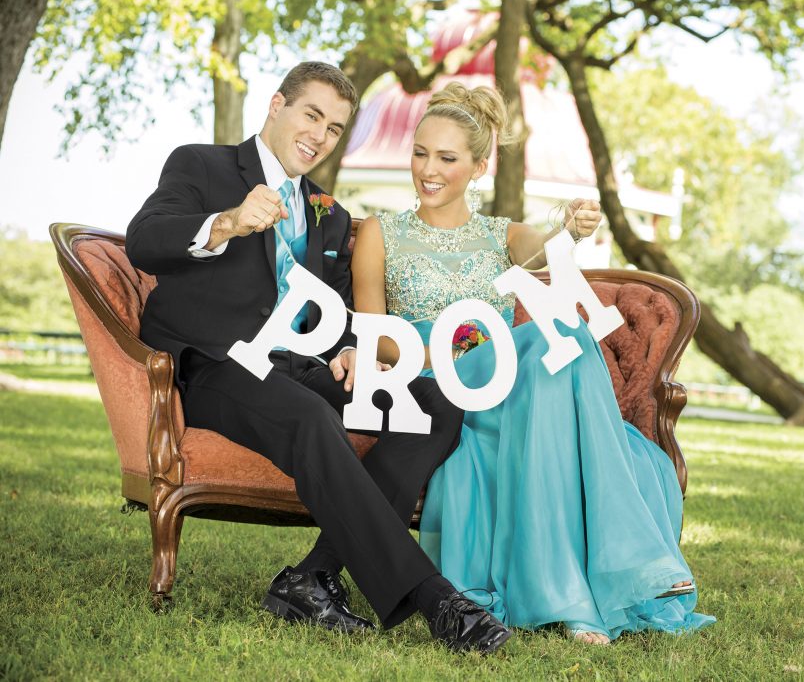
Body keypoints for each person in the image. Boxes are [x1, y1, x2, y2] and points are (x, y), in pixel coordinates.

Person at [125, 62, 511, 654]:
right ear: (277, 105)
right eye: (312, 115)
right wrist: (227, 223)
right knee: (309, 416)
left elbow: (332, 310)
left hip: (298, 367)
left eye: (334, 128)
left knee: (434, 403)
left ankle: (311, 576)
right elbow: (145, 240)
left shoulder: (325, 209)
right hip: (217, 367)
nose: (320, 135)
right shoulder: (201, 164)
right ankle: (436, 600)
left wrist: (352, 349)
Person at [351, 82, 716, 645]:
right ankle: (575, 594)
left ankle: (570, 590)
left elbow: (544, 247)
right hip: (434, 380)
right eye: (420, 152)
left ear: (477, 167)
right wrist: (450, 347)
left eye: (446, 158)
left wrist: (569, 226)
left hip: (507, 388)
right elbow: (378, 339)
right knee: (547, 343)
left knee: (559, 337)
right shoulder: (380, 232)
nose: (428, 169)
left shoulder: (504, 235)